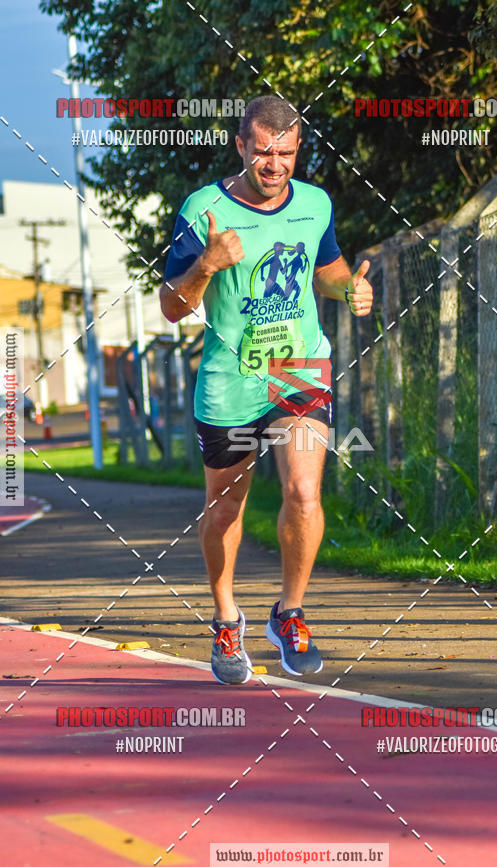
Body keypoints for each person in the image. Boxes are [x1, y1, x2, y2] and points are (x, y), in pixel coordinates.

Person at [160, 95, 373, 685]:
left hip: (299, 367)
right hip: (232, 377)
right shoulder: (203, 209)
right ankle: (227, 618)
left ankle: (291, 611)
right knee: (226, 506)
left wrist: (346, 291)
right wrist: (206, 264)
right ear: (241, 147)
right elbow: (172, 307)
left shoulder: (315, 203)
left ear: (297, 148)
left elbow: (325, 268)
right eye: (263, 153)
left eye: (286, 152)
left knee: (304, 491)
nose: (275, 165)